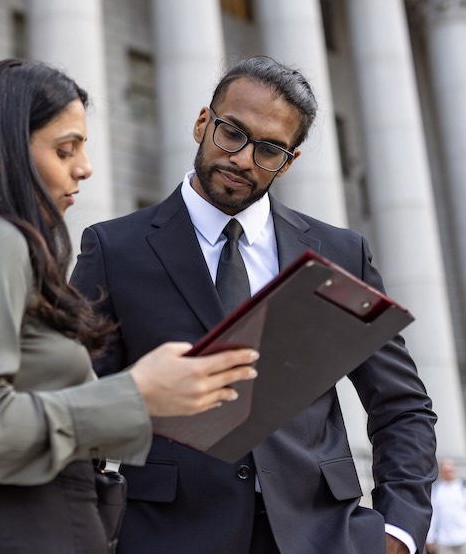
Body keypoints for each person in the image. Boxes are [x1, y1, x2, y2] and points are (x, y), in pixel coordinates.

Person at [70, 55, 438, 554]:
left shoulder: (339, 253)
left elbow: (401, 404)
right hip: (166, 536)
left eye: (269, 150)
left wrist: (398, 530)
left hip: (322, 536)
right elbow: (78, 401)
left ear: (289, 161)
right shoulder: (115, 250)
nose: (243, 158)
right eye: (232, 133)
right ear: (203, 122)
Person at [0, 58, 260, 554]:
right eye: (64, 149)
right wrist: (136, 392)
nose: (84, 168)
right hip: (11, 525)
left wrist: (160, 399)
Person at [426, 458, 466, 554]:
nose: (449, 474)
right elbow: (434, 516)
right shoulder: (436, 491)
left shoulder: (465, 488)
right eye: (445, 471)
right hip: (443, 540)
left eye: (451, 471)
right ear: (441, 473)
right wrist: (430, 538)